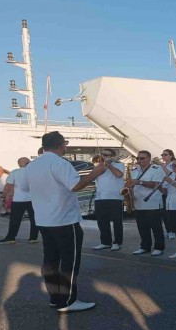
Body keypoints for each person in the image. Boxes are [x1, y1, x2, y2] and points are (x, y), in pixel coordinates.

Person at [19, 131, 106, 313]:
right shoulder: (60, 163)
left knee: (50, 261)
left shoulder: (32, 166)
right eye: (65, 144)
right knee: (70, 262)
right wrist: (95, 172)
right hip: (65, 220)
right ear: (61, 145)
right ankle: (68, 301)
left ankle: (55, 299)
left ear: (44, 146)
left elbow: (25, 187)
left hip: (43, 220)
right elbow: (75, 185)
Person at [129, 151, 166, 256]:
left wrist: (139, 182)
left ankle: (159, 247)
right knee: (142, 227)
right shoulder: (134, 169)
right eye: (138, 158)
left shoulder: (157, 169)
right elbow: (132, 184)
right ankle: (145, 246)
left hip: (153, 202)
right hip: (138, 202)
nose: (139, 160)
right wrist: (130, 192)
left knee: (156, 227)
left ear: (149, 158)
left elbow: (156, 184)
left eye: (142, 158)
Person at [0, 157, 39, 244]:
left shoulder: (15, 172)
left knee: (15, 220)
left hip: (19, 200)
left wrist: (3, 196)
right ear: (28, 163)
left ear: (19, 164)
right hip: (33, 200)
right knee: (34, 219)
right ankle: (33, 238)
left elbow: (8, 186)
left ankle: (11, 237)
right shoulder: (35, 172)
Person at [89, 150, 125, 251]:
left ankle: (117, 242)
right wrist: (99, 167)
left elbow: (119, 175)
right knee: (102, 221)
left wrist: (108, 165)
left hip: (115, 197)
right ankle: (105, 242)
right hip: (100, 196)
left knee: (117, 221)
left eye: (106, 155)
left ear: (112, 156)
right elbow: (92, 177)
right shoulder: (98, 166)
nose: (103, 156)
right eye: (102, 154)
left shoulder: (119, 164)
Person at [160, 149, 176, 239]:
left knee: (169, 212)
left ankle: (172, 230)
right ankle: (168, 229)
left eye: (165, 155)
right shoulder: (161, 166)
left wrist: (162, 165)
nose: (163, 156)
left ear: (171, 156)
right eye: (162, 155)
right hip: (161, 189)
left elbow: (170, 174)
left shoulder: (173, 164)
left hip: (170, 190)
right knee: (164, 213)